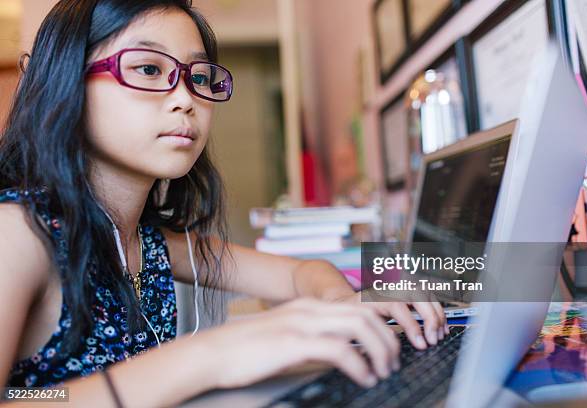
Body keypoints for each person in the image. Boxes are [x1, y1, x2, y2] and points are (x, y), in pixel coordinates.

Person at [0, 1, 447, 406]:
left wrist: (339, 302)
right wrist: (208, 356)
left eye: (198, 77)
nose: (185, 100)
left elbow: (299, 273)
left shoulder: (153, 244)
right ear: (65, 80)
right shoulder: (19, 233)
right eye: (149, 69)